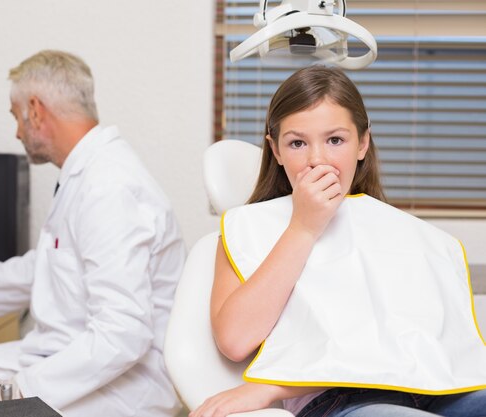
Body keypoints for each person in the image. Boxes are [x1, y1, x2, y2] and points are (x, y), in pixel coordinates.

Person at [0, 50, 186, 417]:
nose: (16, 131)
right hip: (65, 355)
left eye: (16, 116)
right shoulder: (86, 174)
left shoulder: (108, 186)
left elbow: (122, 333)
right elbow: (44, 268)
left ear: (35, 109)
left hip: (124, 384)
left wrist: (16, 390)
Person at [191, 66, 486, 417]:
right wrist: (303, 227)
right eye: (297, 143)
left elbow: (423, 347)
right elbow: (235, 340)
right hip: (343, 403)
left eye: (335, 140)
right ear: (276, 149)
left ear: (362, 143)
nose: (317, 159)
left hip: (440, 392)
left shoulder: (405, 235)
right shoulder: (247, 229)